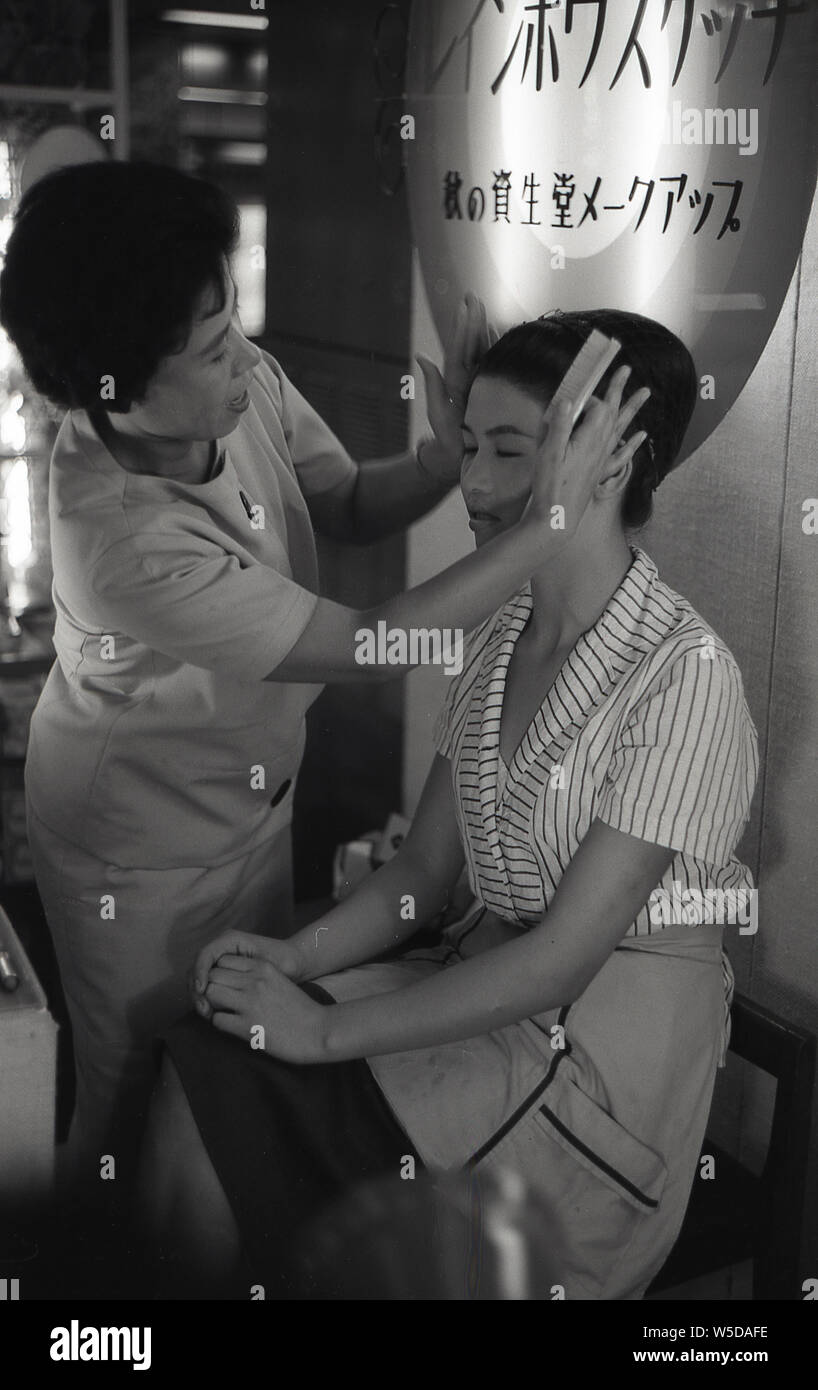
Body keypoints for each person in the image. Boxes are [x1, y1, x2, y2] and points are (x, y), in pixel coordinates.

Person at [0, 162, 646, 1212]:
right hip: (138, 838)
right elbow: (368, 643)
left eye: (232, 323)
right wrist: (546, 522)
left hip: (249, 790)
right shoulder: (117, 539)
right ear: (117, 384)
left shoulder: (228, 380)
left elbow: (341, 501)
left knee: (220, 1067)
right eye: (211, 351)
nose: (243, 363)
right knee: (129, 1088)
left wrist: (440, 460)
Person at [140, 309, 759, 1301]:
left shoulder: (683, 678)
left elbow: (560, 959)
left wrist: (322, 1027)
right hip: (478, 989)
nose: (470, 484)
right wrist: (292, 962)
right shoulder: (497, 626)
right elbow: (423, 873)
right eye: (468, 446)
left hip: (589, 1067)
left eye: (510, 451)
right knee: (205, 1061)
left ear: (605, 460)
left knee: (299, 1146)